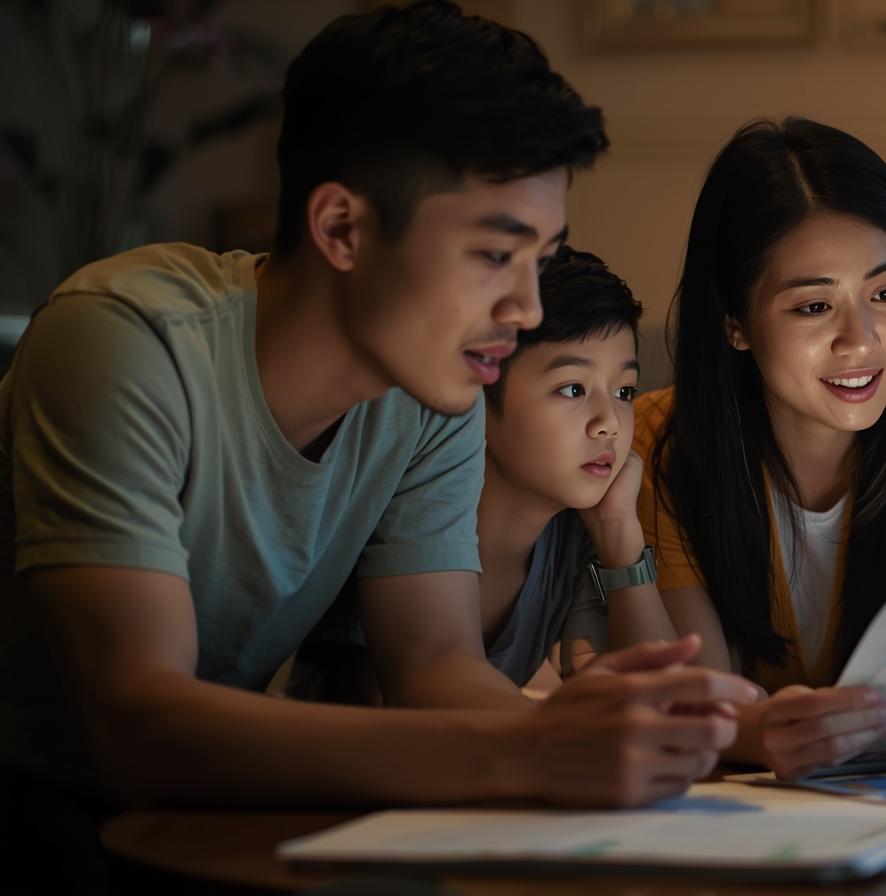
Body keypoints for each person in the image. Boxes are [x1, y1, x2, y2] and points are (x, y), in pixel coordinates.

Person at [0, 6, 756, 882]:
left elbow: (436, 665)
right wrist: (532, 751)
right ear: (342, 229)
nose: (527, 310)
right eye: (491, 255)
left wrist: (628, 737)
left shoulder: (434, 396)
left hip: (203, 816)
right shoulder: (127, 340)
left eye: (539, 260)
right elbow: (138, 725)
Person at [627, 118, 886, 779]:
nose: (862, 340)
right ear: (735, 322)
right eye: (814, 307)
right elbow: (703, 698)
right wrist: (764, 733)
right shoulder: (657, 438)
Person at [292, 245, 675, 701]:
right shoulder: (398, 516)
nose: (609, 422)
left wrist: (620, 536)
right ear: (478, 393)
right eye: (572, 388)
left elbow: (664, 699)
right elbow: (387, 715)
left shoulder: (576, 531)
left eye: (625, 391)